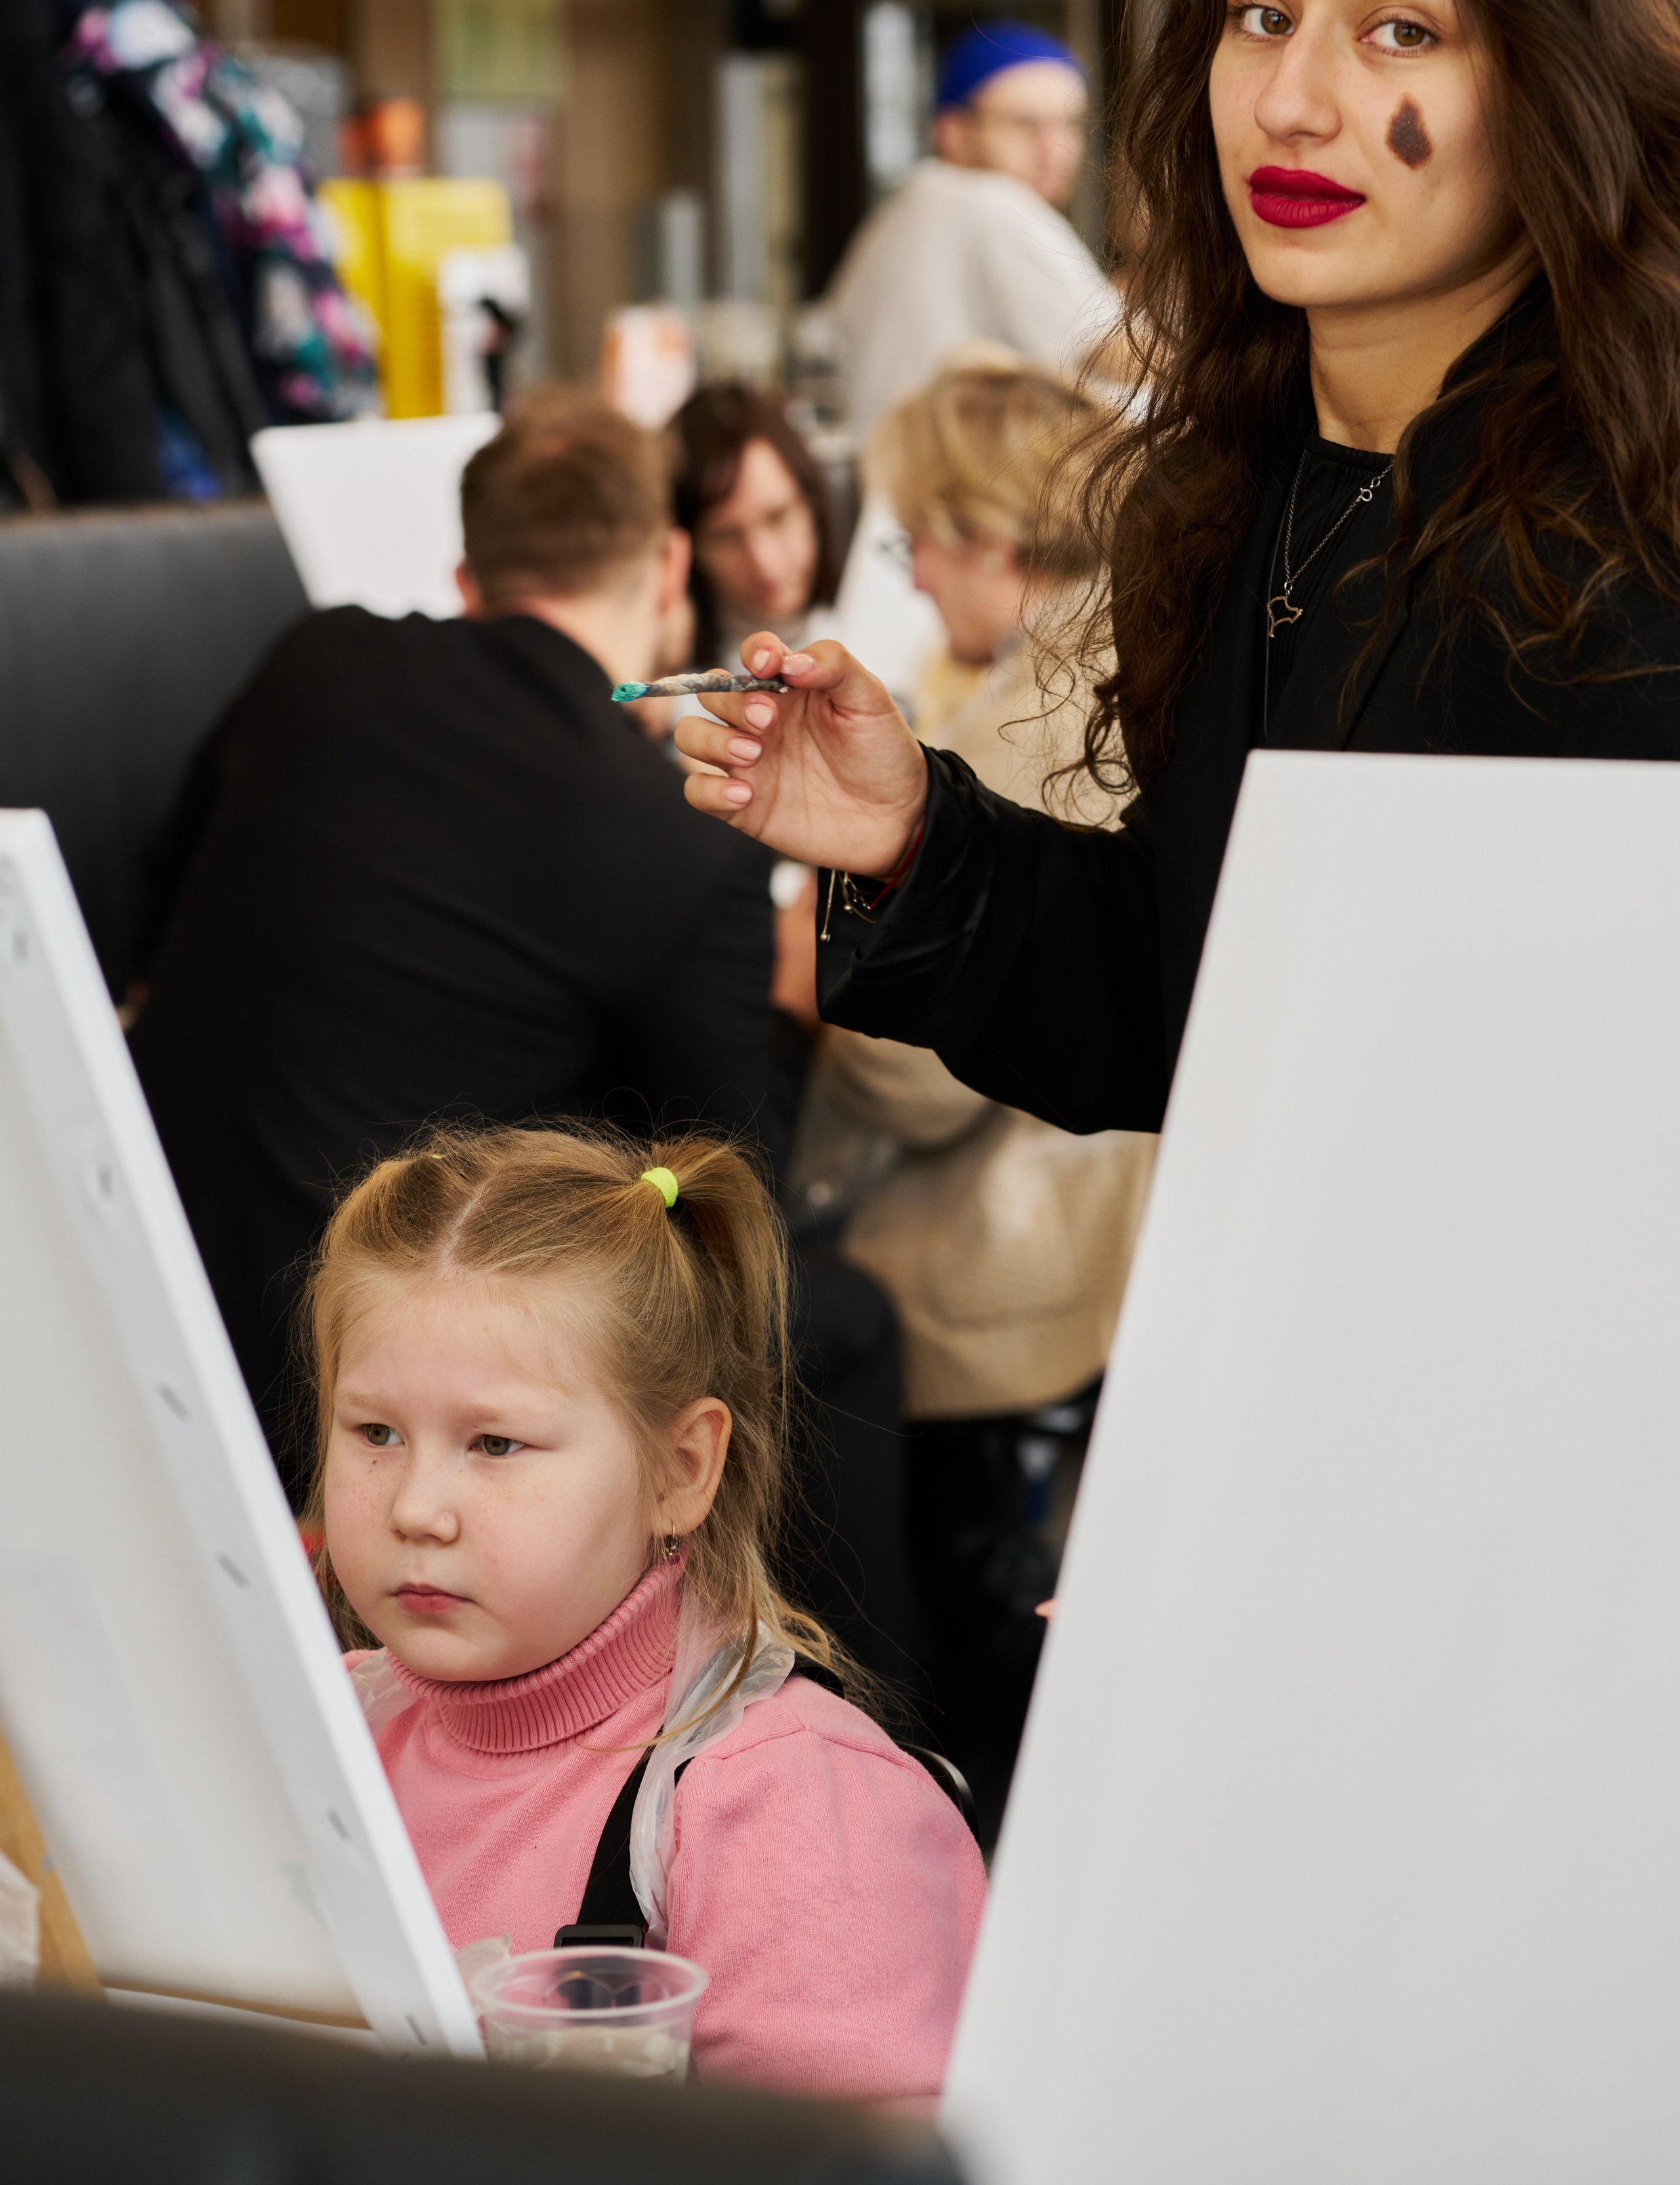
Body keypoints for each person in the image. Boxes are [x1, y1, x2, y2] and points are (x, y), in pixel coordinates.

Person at [675, 0, 1680, 1140]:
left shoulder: (1623, 539)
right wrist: (916, 842)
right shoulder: (1243, 483)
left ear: (1567, 76)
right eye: (1258, 14)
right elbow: (1202, 1006)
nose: (1287, 99)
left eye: (1400, 29)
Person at [131, 393, 778, 1486]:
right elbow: (723, 1203)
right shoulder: (683, 849)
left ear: (469, 578)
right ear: (671, 568)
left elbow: (153, 912)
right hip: (366, 1404)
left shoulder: (316, 661)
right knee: (838, 1323)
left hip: (131, 1289)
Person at [310, 1123, 986, 2103]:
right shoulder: (313, 1735)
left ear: (680, 1472)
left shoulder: (791, 1814)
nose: (417, 1508)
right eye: (375, 1432)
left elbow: (857, 2166)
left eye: (496, 1445)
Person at [812, 357, 1156, 1422]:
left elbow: (912, 1075)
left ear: (991, 538)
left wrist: (812, 966)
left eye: (914, 537)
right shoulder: (1122, 640)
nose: (912, 577)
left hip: (1020, 1268)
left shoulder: (1041, 712)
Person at [826, 20, 1122, 437]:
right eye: (1025, 124)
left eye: (1071, 124)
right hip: (959, 494)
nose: (1056, 149)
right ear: (954, 134)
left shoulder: (899, 213)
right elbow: (1118, 354)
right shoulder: (992, 202)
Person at [670, 383, 841, 671]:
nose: (765, 564)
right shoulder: (665, 689)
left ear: (814, 502)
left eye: (778, 517)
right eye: (725, 537)